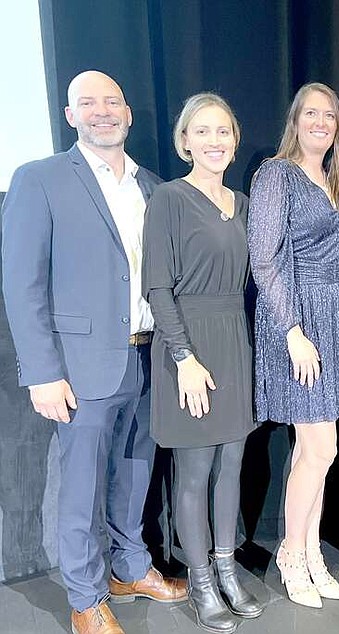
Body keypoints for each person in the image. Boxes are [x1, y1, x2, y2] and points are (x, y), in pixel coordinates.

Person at [1, 70, 186, 634]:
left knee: (135, 471)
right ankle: (85, 597)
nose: (102, 111)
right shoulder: (39, 178)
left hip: (146, 356)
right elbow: (21, 282)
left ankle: (128, 569)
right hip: (80, 368)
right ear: (69, 115)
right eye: (88, 103)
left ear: (128, 114)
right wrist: (41, 371)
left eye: (112, 102)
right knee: (80, 484)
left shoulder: (153, 186)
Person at [142, 93, 262, 633]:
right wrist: (184, 358)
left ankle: (227, 569)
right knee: (193, 472)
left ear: (234, 141)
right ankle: (201, 584)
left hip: (235, 341)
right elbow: (158, 288)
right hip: (187, 345)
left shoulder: (242, 201)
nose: (215, 141)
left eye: (224, 132)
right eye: (203, 131)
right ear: (185, 140)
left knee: (231, 465)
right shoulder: (168, 199)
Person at [248, 83, 339, 609]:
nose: (321, 122)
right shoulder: (276, 175)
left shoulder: (337, 179)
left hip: (335, 318)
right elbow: (265, 260)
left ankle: (310, 550)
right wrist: (293, 332)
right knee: (322, 448)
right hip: (296, 321)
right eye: (311, 113)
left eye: (330, 115)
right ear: (295, 120)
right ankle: (292, 555)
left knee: (314, 450)